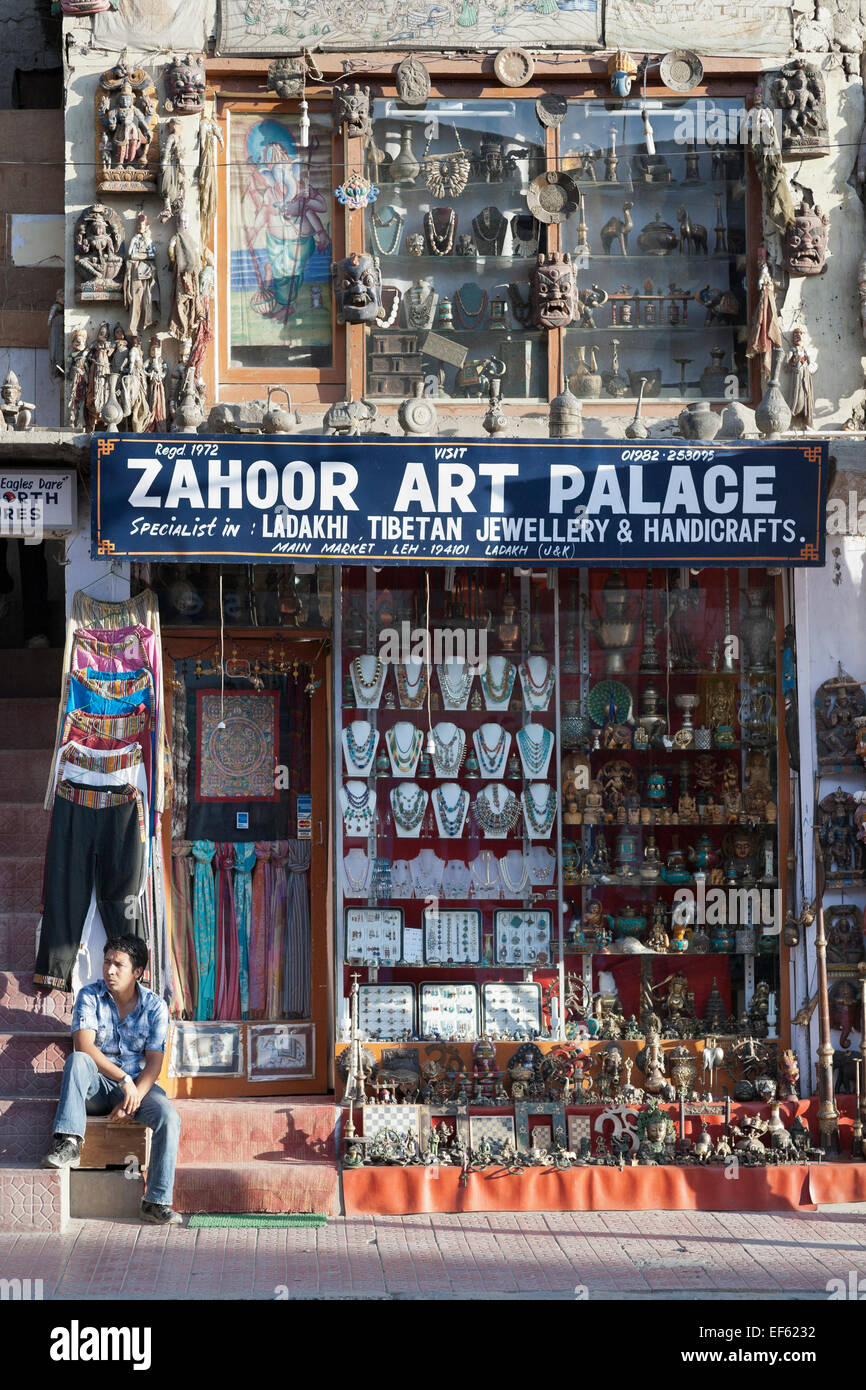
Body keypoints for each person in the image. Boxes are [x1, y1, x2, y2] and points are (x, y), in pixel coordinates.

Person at [41, 935, 182, 1226]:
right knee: (77, 1060)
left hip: (134, 1088)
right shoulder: (89, 996)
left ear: (138, 972)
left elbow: (154, 1064)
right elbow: (85, 1046)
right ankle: (68, 1142)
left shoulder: (155, 1007)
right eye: (107, 962)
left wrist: (134, 1098)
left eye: (119, 965)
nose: (110, 970)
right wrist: (123, 1080)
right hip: (96, 1086)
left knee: (168, 1115)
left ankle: (155, 1201)